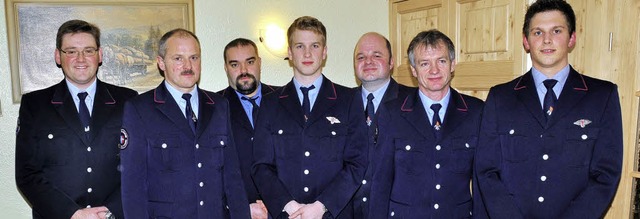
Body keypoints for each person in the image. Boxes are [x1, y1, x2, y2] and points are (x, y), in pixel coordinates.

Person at [475, 0, 623, 218]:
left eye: (556, 31)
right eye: (537, 32)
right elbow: (486, 170)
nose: (546, 40)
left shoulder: (602, 96)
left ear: (571, 38)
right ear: (526, 41)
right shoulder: (500, 97)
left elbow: (606, 174)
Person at [120, 28, 250, 218]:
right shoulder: (140, 109)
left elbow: (232, 177)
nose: (188, 65)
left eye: (194, 58)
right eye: (178, 58)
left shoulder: (219, 105)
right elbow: (133, 185)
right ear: (161, 63)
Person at [15, 19, 137, 219]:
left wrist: (110, 212)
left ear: (100, 55)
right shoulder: (35, 105)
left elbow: (139, 166)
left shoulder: (128, 100)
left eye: (88, 50)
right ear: (58, 56)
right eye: (71, 51)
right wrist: (72, 214)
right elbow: (27, 174)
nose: (81, 59)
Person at [251, 16, 368, 219]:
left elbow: (357, 164)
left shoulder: (349, 100)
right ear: (289, 52)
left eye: (314, 45)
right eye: (299, 46)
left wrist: (321, 206)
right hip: (286, 214)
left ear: (324, 52)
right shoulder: (270, 103)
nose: (307, 53)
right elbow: (261, 165)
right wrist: (288, 206)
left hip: (333, 213)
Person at [369, 29, 484, 218]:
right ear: (413, 70)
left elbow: (483, 181)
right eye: (424, 63)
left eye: (441, 61)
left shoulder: (476, 111)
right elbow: (380, 181)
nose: (434, 70)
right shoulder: (392, 113)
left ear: (453, 64)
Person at [349, 32, 414, 218]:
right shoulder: (340, 104)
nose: (368, 61)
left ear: (391, 62)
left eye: (376, 55)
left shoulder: (413, 102)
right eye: (361, 57)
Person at [217, 38, 279, 219]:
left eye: (250, 62)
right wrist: (240, 207)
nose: (243, 71)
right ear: (226, 68)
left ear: (259, 63)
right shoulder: (213, 108)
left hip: (284, 210)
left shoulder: (284, 100)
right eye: (235, 64)